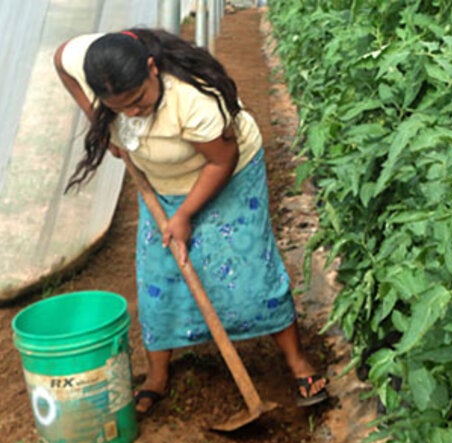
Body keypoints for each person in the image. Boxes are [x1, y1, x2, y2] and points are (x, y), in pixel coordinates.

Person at [53, 28, 328, 415]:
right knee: (159, 275)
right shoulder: (91, 61)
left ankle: (297, 361)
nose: (131, 113)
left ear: (152, 69)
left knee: (248, 269)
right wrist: (102, 124)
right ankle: (157, 376)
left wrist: (183, 216)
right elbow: (61, 59)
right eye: (119, 108)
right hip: (160, 184)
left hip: (227, 174)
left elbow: (222, 160)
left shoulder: (193, 98)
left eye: (138, 101)